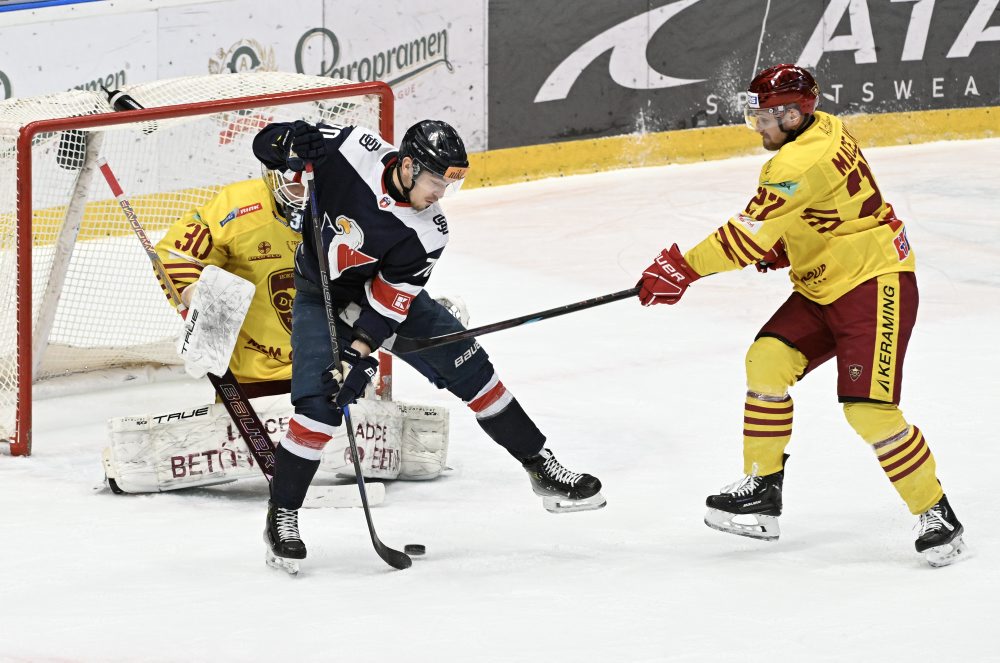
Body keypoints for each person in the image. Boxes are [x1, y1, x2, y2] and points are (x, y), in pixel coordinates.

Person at [635, 64, 967, 567]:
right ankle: (763, 491)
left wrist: (681, 269)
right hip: (826, 279)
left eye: (766, 117)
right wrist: (790, 243)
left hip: (873, 283)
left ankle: (937, 514)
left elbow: (746, 237)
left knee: (868, 410)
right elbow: (831, 205)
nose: (758, 126)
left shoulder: (794, 163)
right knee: (766, 360)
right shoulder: (824, 125)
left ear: (794, 114)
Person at [253, 118, 606, 570]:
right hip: (318, 293)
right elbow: (265, 145)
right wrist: (283, 143)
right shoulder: (348, 146)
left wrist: (359, 354)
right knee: (319, 406)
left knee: (475, 371)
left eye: (449, 185)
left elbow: (388, 303)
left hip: (375, 298)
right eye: (436, 182)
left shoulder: (430, 230)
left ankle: (540, 464)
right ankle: (282, 514)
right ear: (407, 165)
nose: (440, 195)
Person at [154, 171, 303, 397]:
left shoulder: (351, 203)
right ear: (274, 175)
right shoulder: (238, 207)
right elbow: (176, 253)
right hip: (249, 376)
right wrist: (194, 294)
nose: (305, 191)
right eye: (294, 181)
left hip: (330, 368)